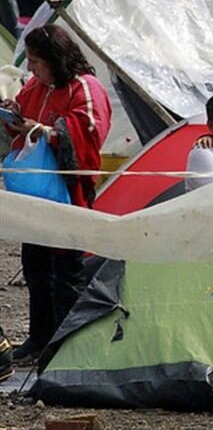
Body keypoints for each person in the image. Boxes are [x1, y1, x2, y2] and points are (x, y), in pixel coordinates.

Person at [0, 24, 112, 363]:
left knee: (67, 270)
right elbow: (22, 119)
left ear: (55, 59)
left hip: (68, 191)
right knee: (36, 266)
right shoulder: (36, 85)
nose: (31, 68)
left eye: (36, 60)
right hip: (36, 193)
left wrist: (44, 130)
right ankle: (40, 337)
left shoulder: (85, 87)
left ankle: (67, 343)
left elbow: (90, 128)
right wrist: (12, 114)